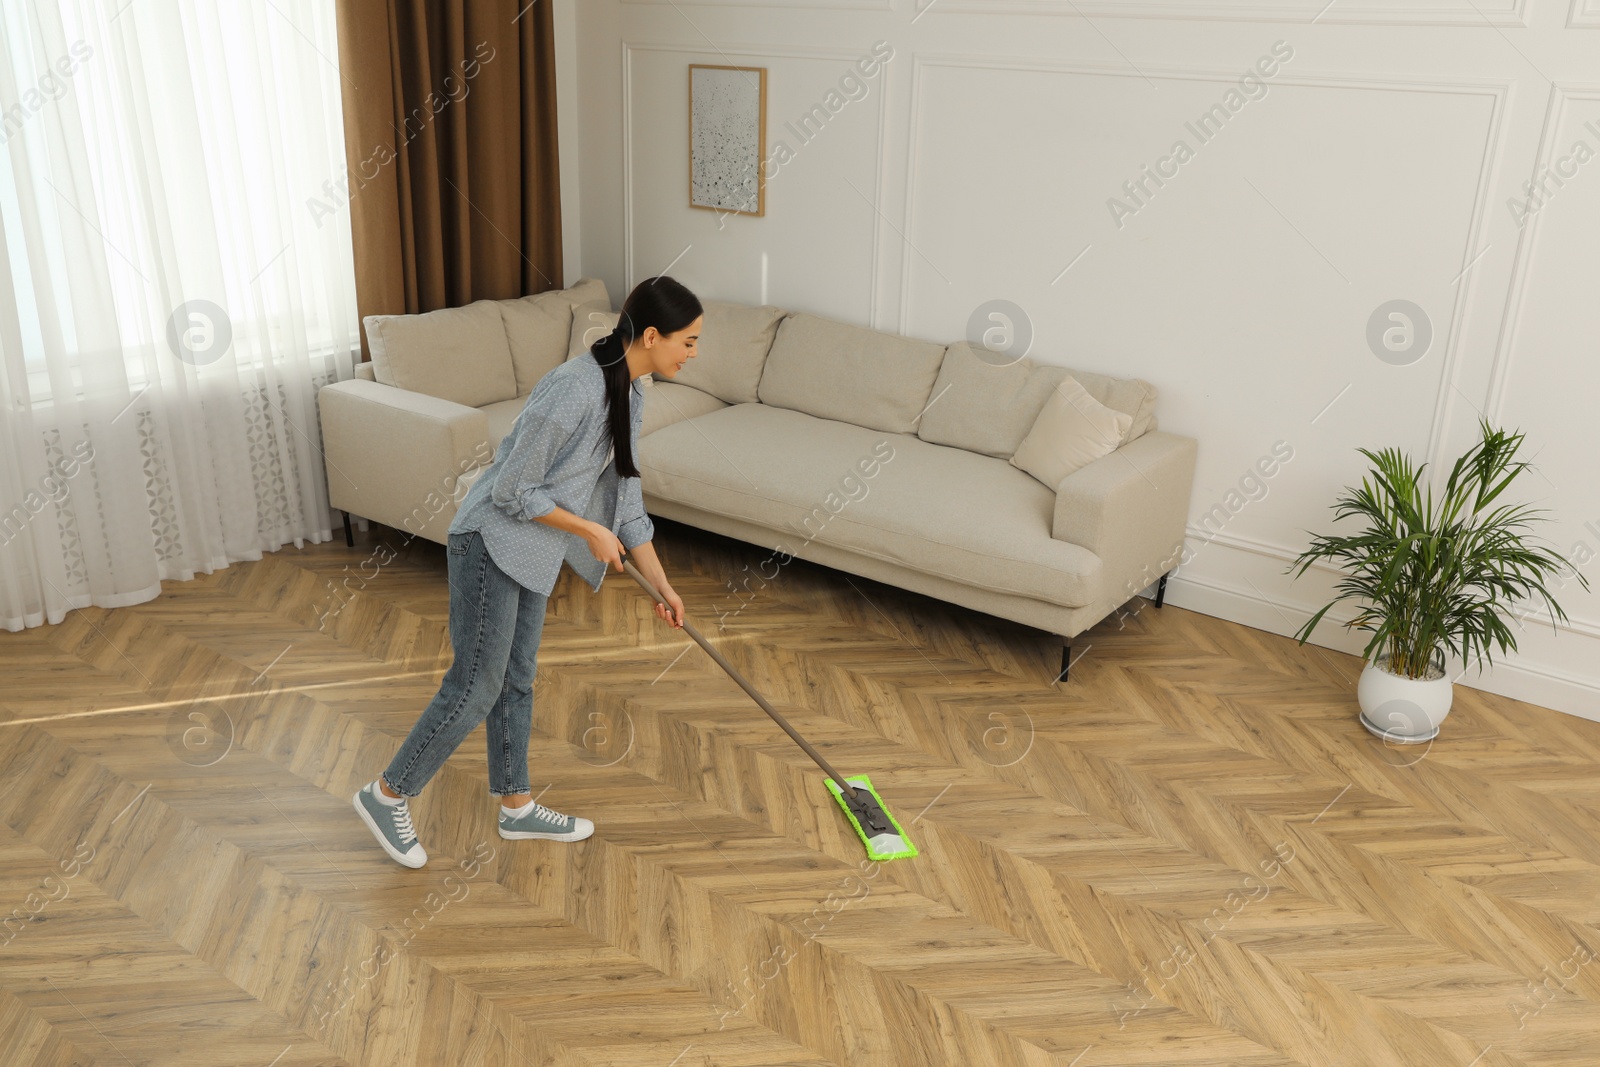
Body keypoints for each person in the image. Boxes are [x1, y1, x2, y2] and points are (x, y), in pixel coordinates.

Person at [353, 276, 702, 867]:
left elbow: (628, 503)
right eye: (688, 341)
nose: (692, 353)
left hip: (533, 552)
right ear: (650, 335)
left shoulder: (633, 392)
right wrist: (589, 530)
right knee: (476, 684)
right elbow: (514, 488)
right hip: (490, 541)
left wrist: (664, 586)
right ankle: (387, 794)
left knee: (517, 679)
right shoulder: (573, 388)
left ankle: (515, 808)